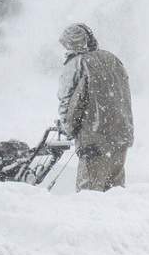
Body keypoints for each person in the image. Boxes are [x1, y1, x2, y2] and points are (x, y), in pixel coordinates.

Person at [57, 23, 133, 192]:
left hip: (94, 140)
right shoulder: (112, 59)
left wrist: (68, 127)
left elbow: (68, 102)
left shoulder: (77, 64)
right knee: (115, 193)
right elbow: (124, 96)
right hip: (120, 137)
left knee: (89, 195)